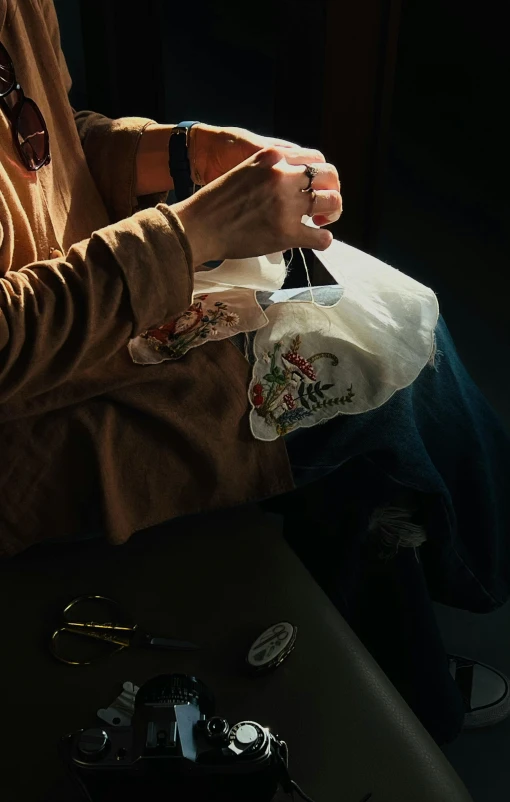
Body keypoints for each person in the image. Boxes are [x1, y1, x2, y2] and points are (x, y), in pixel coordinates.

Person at [1, 0, 509, 748]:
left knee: (380, 321)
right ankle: (463, 602)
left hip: (76, 314)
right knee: (381, 394)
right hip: (24, 424)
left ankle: (402, 673)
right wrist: (193, 230)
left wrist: (190, 153)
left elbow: (49, 143)